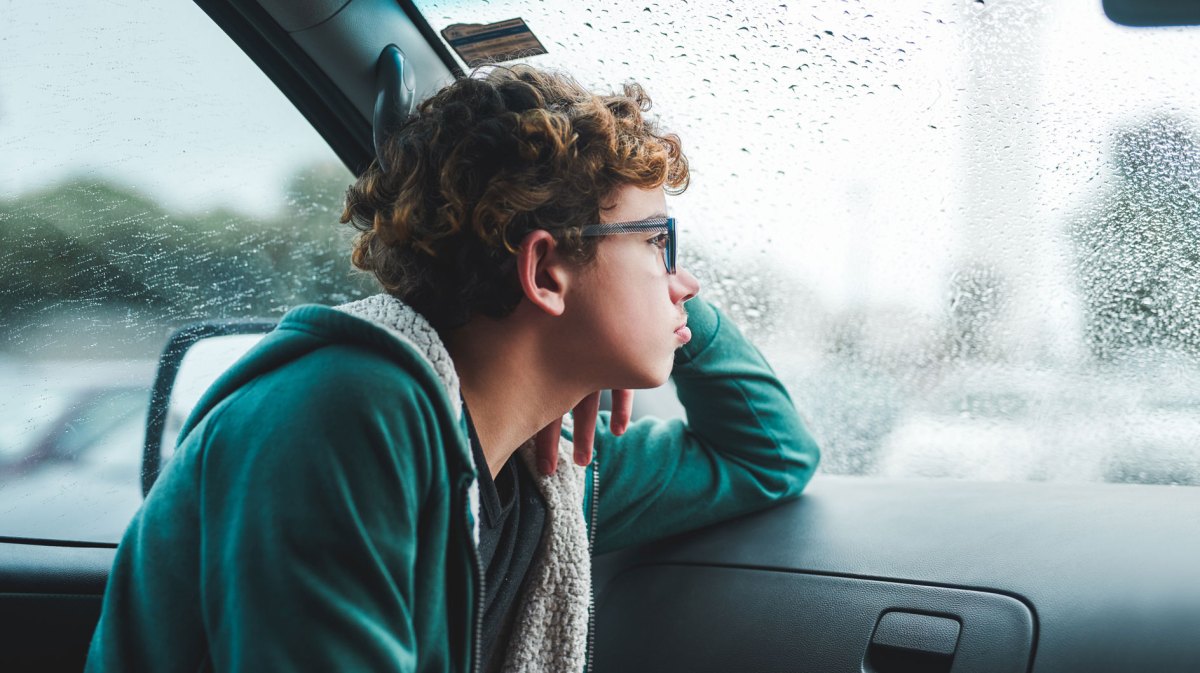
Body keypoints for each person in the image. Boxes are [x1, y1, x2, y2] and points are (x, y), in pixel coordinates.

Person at [85, 64, 820, 673]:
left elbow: (768, 455)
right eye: (660, 241)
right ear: (545, 270)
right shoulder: (341, 414)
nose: (682, 277)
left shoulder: (544, 472)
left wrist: (667, 327)